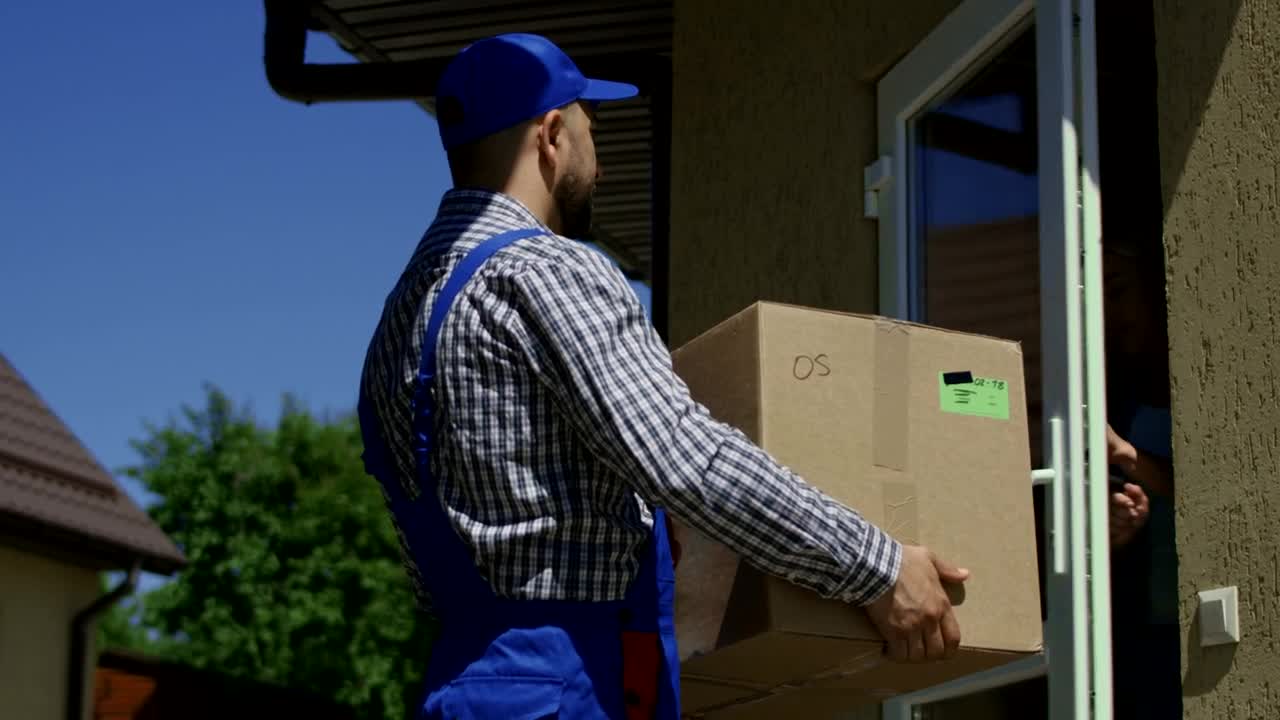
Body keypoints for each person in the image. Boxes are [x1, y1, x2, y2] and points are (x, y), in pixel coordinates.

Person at [356, 33, 968, 719]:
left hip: (460, 688)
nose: (602, 165)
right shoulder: (546, 270)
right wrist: (878, 570)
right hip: (571, 685)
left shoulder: (401, 319)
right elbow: (684, 457)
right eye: (592, 132)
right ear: (552, 135)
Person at [1102, 239, 1180, 719]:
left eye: (1118, 290)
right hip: (1143, 628)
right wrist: (1116, 528)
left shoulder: (1200, 380)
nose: (1110, 312)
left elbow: (1213, 482)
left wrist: (1129, 456)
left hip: (1194, 621)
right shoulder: (1117, 396)